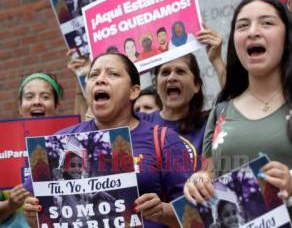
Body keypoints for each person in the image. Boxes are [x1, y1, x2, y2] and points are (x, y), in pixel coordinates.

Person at [23, 53, 193, 228]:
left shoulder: (163, 139)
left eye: (112, 74)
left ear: (134, 91)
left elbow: (195, 216)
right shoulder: (61, 142)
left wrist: (162, 212)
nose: (100, 80)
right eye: (93, 75)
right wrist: (32, 215)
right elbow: (39, 212)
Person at [183, 0, 292, 226]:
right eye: (242, 26)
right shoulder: (221, 111)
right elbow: (210, 173)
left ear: (287, 38)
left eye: (266, 23)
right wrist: (198, 182)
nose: (253, 32)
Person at [138, 25, 225, 170]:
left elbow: (235, 102)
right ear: (156, 86)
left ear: (196, 85)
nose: (171, 77)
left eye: (180, 71)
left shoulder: (209, 123)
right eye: (165, 72)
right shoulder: (140, 123)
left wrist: (216, 60)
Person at [0, 73, 64, 226]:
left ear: (56, 106)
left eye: (45, 97)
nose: (37, 102)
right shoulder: (2, 145)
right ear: (20, 107)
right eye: (29, 97)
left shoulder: (72, 139)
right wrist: (10, 204)